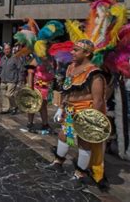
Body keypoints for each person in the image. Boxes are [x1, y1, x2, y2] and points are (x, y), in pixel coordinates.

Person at [45, 40, 107, 190]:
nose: (71, 53)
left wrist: (92, 121)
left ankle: (80, 174)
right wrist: (61, 107)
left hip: (86, 112)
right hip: (70, 111)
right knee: (64, 136)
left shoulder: (95, 73)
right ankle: (58, 163)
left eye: (76, 50)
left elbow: (98, 100)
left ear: (87, 53)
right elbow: (67, 91)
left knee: (84, 143)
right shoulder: (71, 68)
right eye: (72, 50)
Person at [0, 44, 25, 114]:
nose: (7, 51)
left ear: (10, 49)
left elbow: (20, 69)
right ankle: (6, 108)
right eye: (5, 49)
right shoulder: (3, 58)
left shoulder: (15, 58)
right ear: (4, 50)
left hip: (12, 80)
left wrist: (20, 79)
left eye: (8, 49)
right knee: (3, 95)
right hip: (3, 80)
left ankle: (14, 106)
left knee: (9, 95)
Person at [26, 57, 54, 133]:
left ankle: (45, 123)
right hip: (36, 87)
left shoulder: (51, 59)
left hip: (46, 87)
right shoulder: (35, 60)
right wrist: (30, 89)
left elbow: (51, 72)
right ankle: (30, 122)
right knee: (32, 105)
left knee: (43, 106)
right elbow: (30, 73)